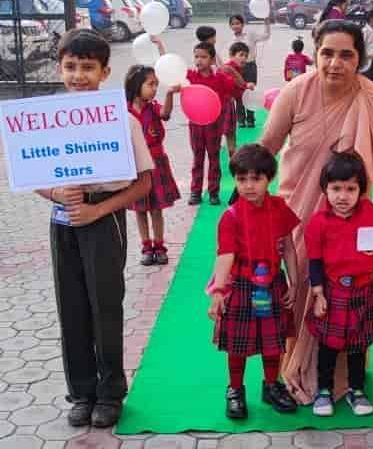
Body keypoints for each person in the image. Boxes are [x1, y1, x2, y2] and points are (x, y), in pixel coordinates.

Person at [260, 19, 373, 403]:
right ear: (315, 54)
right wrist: (252, 202)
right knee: (301, 288)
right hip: (298, 213)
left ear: (360, 59)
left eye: (346, 55)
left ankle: (345, 376)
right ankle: (296, 365)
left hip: (351, 220)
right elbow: (266, 150)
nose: (335, 63)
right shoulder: (295, 92)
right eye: (327, 53)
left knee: (348, 296)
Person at [35, 29, 153, 428]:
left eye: (88, 68)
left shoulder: (123, 120)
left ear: (105, 72)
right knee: (70, 306)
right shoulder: (44, 120)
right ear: (59, 68)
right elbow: (31, 171)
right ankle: (81, 392)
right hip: (63, 218)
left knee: (105, 306)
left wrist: (97, 210)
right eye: (70, 66)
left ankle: (109, 393)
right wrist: (55, 193)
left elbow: (144, 183)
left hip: (105, 219)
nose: (78, 76)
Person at [305, 151, 373, 417]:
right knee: (328, 345)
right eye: (336, 189)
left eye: (350, 189)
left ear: (361, 190)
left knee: (358, 345)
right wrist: (318, 294)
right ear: (325, 189)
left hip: (364, 290)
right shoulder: (318, 223)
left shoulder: (369, 214)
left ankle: (357, 390)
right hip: (332, 291)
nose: (342, 196)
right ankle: (324, 391)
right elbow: (315, 261)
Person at [206, 143, 299, 419]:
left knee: (274, 341)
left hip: (273, 283)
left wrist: (294, 282)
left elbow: (289, 247)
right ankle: (235, 390)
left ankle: (271, 385)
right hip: (242, 286)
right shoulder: (230, 217)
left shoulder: (280, 208)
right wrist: (218, 291)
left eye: (256, 178)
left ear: (269, 178)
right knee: (238, 344)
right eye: (241, 178)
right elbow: (225, 255)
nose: (248, 185)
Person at [125, 65, 181, 265]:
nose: (154, 89)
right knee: (140, 209)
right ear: (136, 85)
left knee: (156, 208)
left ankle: (159, 246)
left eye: (156, 84)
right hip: (136, 164)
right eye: (151, 84)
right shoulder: (123, 110)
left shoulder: (153, 107)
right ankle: (146, 247)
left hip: (156, 162)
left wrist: (170, 94)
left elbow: (165, 114)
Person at [186, 42, 236, 206]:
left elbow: (234, 87)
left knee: (214, 157)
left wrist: (244, 84)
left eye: (203, 57)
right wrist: (160, 47)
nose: (199, 60)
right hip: (195, 124)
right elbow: (171, 70)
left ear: (212, 59)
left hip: (214, 124)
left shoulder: (219, 78)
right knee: (197, 157)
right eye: (196, 56)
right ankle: (195, 191)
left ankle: (214, 192)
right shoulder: (190, 77)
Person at [229, 15, 271, 128]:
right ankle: (241, 119)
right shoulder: (232, 40)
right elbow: (231, 57)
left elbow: (266, 36)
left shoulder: (250, 35)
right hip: (237, 68)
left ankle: (251, 119)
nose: (235, 26)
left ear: (243, 24)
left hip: (250, 66)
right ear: (230, 26)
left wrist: (267, 24)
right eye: (233, 24)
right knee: (238, 93)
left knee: (250, 93)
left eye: (238, 23)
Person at [221, 41, 256, 158]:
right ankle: (231, 155)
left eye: (246, 56)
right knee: (227, 132)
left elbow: (237, 90)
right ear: (231, 55)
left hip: (229, 104)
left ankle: (233, 155)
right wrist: (245, 86)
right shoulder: (228, 68)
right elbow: (233, 85)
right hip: (223, 105)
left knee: (230, 132)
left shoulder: (237, 68)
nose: (244, 58)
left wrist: (245, 89)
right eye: (241, 55)